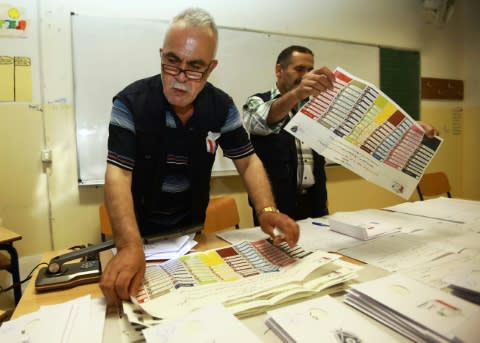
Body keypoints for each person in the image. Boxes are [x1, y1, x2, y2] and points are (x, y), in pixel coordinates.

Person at [99, 8, 299, 308]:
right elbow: (119, 173)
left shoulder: (221, 106)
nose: (181, 78)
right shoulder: (130, 102)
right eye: (172, 62)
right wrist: (129, 244)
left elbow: (247, 161)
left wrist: (266, 209)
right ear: (161, 55)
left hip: (192, 237)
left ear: (210, 68)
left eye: (195, 67)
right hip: (139, 239)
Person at [243, 45, 438, 225]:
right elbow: (259, 122)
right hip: (273, 205)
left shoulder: (320, 105)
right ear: (279, 70)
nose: (306, 75)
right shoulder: (257, 101)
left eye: (310, 70)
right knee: (278, 259)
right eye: (299, 69)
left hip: (314, 202)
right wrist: (297, 94)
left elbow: (365, 128)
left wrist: (410, 130)